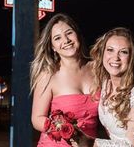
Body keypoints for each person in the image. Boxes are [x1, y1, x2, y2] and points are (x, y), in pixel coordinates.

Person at [30, 13, 99, 147]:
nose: (66, 40)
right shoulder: (48, 75)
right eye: (57, 38)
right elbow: (36, 119)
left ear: (77, 35)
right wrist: (66, 131)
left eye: (69, 33)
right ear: (52, 47)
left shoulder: (97, 69)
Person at [89, 27, 134, 147]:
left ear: (132, 58)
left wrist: (91, 143)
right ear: (102, 53)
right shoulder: (105, 84)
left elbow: (130, 145)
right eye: (110, 50)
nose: (115, 57)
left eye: (123, 52)